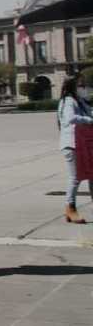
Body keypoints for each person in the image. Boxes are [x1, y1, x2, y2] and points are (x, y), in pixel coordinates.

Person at [57, 76, 92, 224]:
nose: (83, 88)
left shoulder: (81, 101)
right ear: (73, 86)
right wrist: (90, 120)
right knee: (75, 178)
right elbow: (70, 118)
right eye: (81, 85)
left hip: (84, 143)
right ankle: (70, 208)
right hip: (72, 144)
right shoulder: (68, 101)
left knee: (92, 176)